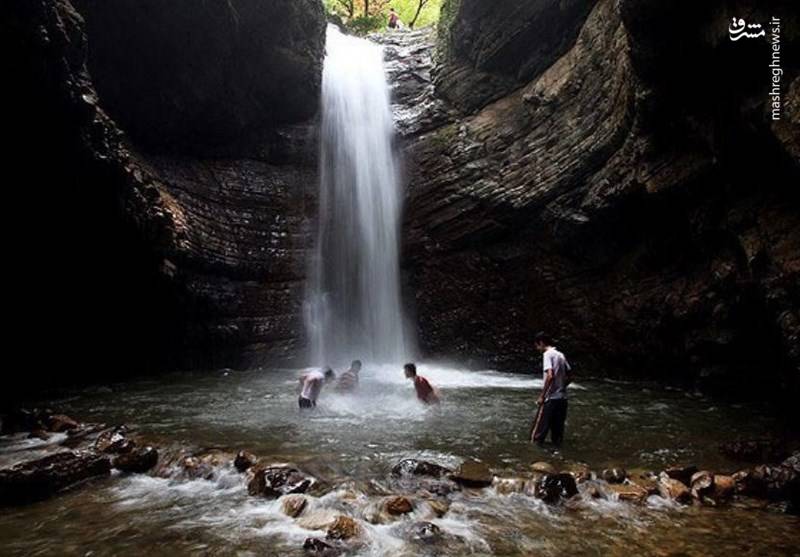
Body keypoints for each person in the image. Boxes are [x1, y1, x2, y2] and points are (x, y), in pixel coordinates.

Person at [530, 332, 571, 447]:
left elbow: (550, 375)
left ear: (541, 343)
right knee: (557, 434)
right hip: (562, 399)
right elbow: (571, 376)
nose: (538, 349)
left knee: (538, 434)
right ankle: (557, 456)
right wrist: (561, 387)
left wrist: (542, 395)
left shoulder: (548, 354)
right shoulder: (560, 355)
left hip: (551, 399)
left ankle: (535, 456)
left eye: (537, 346)